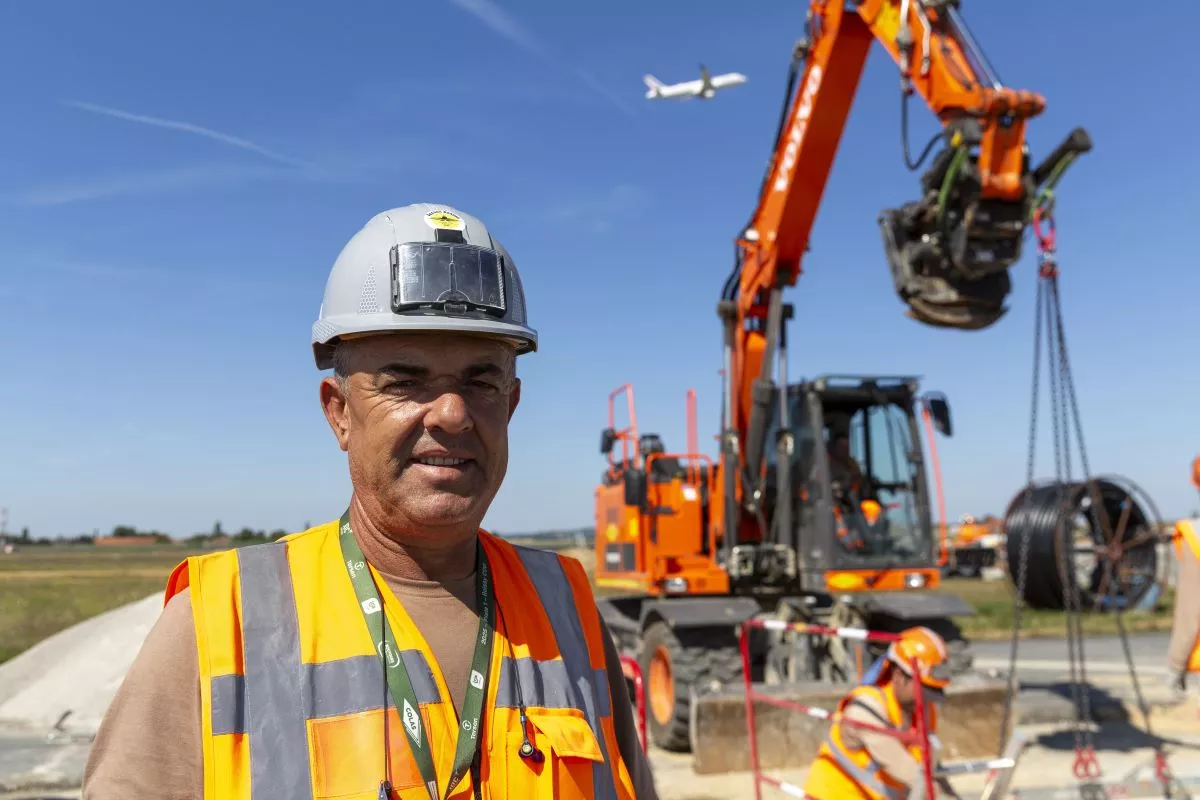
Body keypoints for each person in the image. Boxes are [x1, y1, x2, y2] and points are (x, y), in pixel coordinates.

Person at [82, 203, 658, 800]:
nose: (453, 414)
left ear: (510, 405)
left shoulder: (568, 609)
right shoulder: (219, 625)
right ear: (339, 412)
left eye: (480, 381)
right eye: (405, 381)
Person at [802, 626, 961, 800]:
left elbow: (931, 769)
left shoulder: (923, 710)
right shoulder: (865, 710)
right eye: (924, 690)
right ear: (898, 676)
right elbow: (906, 770)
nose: (927, 700)